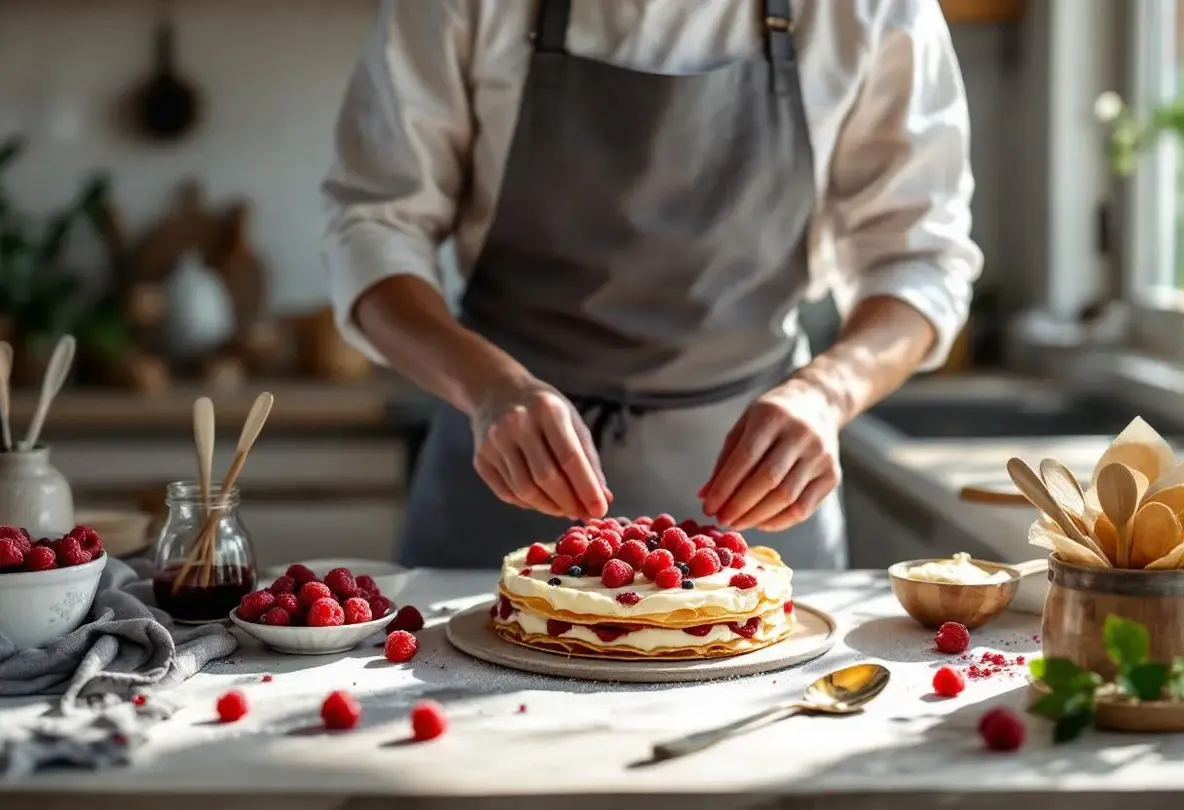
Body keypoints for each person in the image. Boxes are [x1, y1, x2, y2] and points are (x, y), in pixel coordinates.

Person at [322, 0, 982, 570]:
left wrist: (826, 394)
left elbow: (921, 260)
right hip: (496, 499)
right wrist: (489, 387)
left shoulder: (870, 11)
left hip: (761, 513)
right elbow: (374, 232)